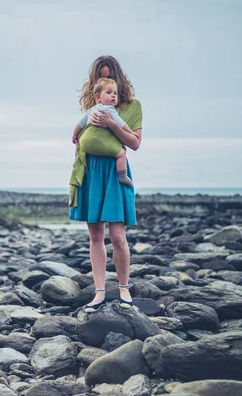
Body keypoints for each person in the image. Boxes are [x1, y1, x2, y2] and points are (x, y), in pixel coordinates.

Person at [68, 55, 143, 313]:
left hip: (114, 169)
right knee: (95, 234)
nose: (106, 82)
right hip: (91, 170)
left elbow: (134, 143)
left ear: (119, 79)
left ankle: (124, 288)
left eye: (109, 75)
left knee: (118, 236)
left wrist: (112, 123)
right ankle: (99, 292)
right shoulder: (92, 107)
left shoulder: (132, 107)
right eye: (100, 77)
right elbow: (80, 130)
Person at [71, 78, 134, 186]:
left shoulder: (92, 109)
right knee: (121, 154)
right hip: (97, 141)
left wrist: (74, 135)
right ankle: (122, 176)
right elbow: (121, 124)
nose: (113, 96)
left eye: (115, 93)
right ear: (98, 97)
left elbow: (80, 124)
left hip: (85, 144)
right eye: (109, 93)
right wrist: (131, 133)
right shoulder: (110, 110)